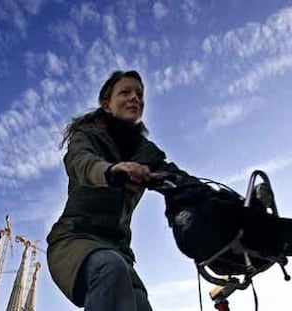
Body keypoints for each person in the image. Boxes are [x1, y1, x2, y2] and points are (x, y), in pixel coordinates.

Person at [46, 70, 193, 311]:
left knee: (140, 305)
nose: (134, 98)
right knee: (109, 267)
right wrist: (111, 170)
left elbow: (182, 180)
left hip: (120, 252)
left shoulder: (147, 153)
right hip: (75, 239)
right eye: (125, 92)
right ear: (107, 105)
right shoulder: (86, 137)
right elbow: (80, 162)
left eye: (139, 94)